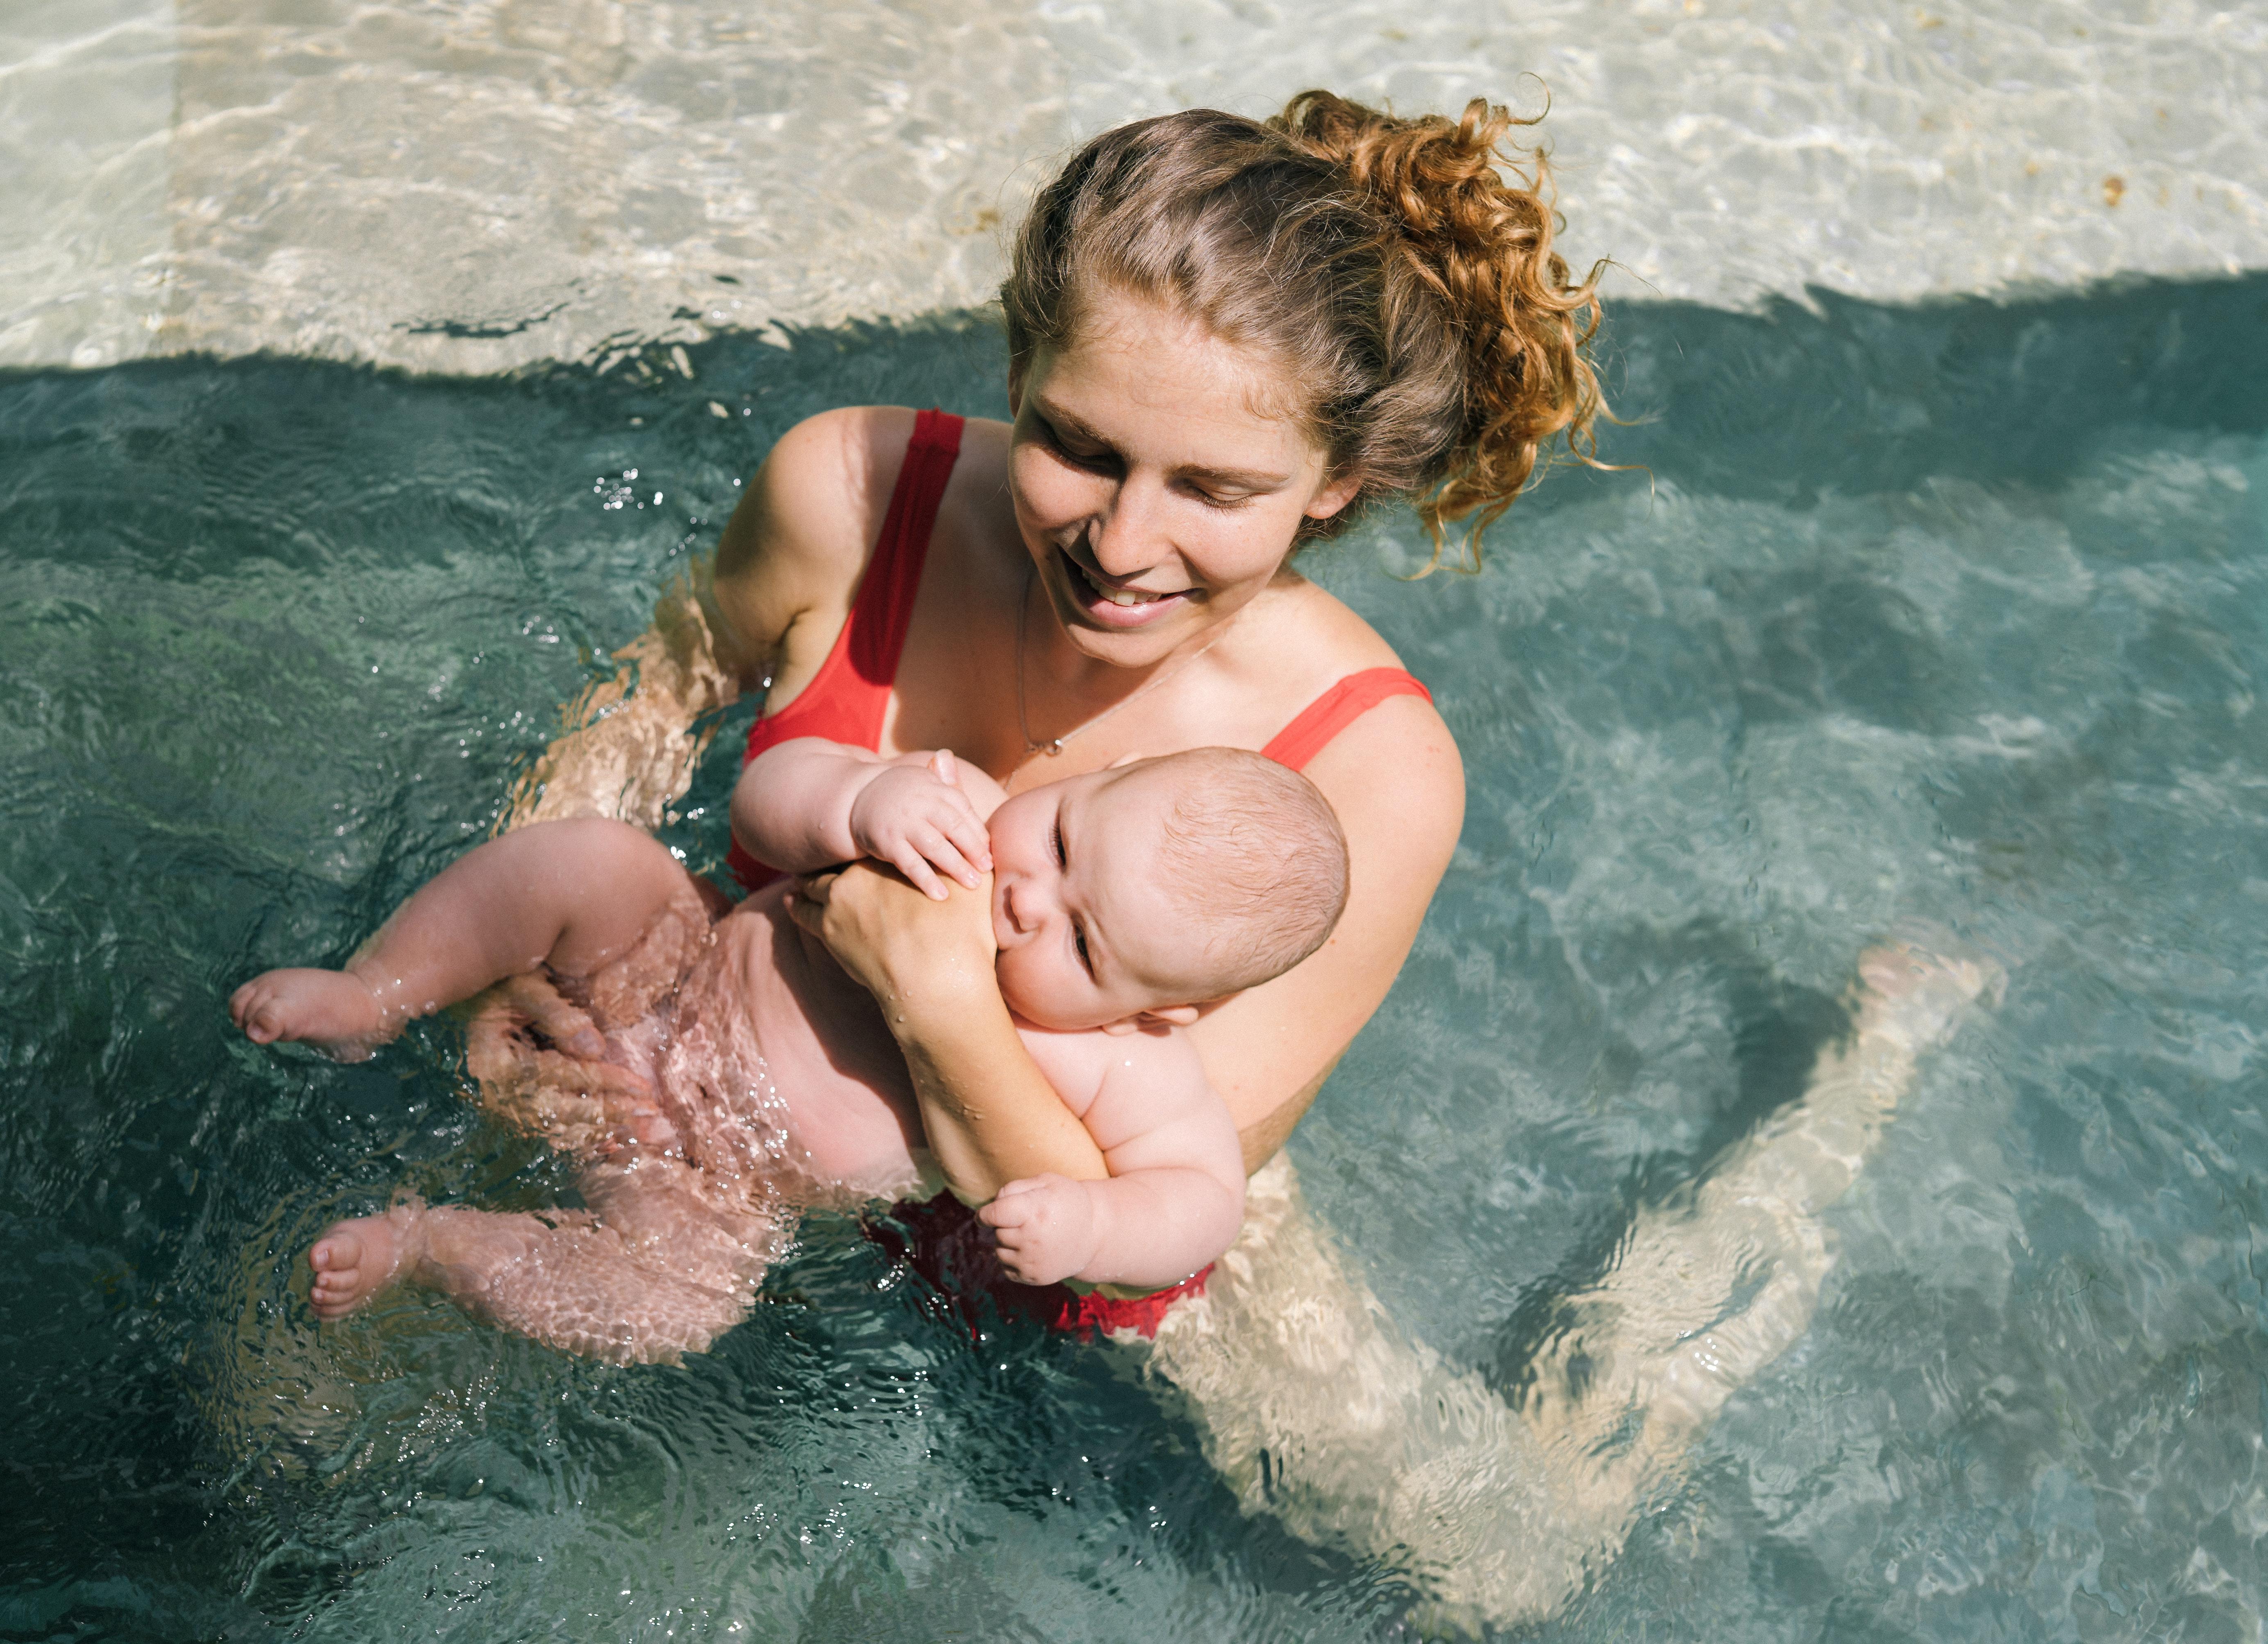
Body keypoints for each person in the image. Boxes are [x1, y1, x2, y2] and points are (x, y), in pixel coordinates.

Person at [448, 91, 2001, 1627]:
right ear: (1019, 367)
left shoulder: (1366, 767)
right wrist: (533, 992)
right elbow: (661, 692)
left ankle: (1855, 1094)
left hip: (1101, 1192)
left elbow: (1133, 1209)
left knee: (1506, 1566)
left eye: (1215, 488)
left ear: (1334, 487)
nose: (1123, 543)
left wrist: (924, 998)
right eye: (1078, 445)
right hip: (719, 1033)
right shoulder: (857, 494)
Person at [229, 741, 1351, 1358]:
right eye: (1059, 838)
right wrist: (861, 799)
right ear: (1080, 778)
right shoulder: (953, 807)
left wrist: (1097, 1221)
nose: (1024, 896)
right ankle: (378, 990)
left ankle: (429, 1245)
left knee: (682, 1307)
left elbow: (1204, 1202)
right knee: (592, 861)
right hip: (667, 972)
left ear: (1161, 1014)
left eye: (1083, 938)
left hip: (715, 1183)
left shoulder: (1127, 1063)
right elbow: (767, 802)